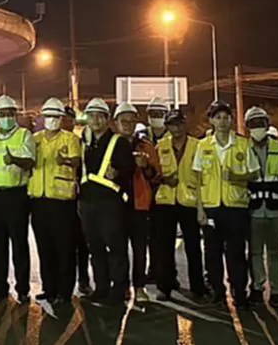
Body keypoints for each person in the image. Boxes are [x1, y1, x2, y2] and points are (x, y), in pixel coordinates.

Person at [193, 101, 259, 308]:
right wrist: (200, 210)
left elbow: (255, 173)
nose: (222, 121)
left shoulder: (243, 144)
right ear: (211, 121)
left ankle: (239, 293)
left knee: (236, 253)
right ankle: (217, 292)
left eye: (226, 117)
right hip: (211, 207)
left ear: (232, 120)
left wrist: (237, 177)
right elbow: (197, 180)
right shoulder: (203, 146)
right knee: (212, 253)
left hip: (236, 207)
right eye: (217, 117)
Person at [79, 96, 135, 305]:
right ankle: (101, 287)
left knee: (116, 247)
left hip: (110, 203)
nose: (95, 120)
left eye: (99, 116)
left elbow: (129, 169)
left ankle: (119, 289)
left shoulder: (118, 141)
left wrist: (117, 173)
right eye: (91, 116)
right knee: (95, 247)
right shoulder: (85, 142)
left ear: (106, 119)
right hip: (88, 203)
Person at [29, 97, 82, 304]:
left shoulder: (70, 139)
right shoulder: (36, 139)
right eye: (48, 116)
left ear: (61, 118)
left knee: (65, 249)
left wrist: (66, 161)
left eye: (55, 117)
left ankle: (64, 291)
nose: (51, 120)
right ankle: (48, 288)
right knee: (45, 248)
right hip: (39, 201)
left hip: (62, 202)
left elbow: (77, 161)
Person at [152, 109, 206, 301]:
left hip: (189, 201)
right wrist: (164, 179)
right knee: (163, 248)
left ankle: (198, 288)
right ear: (167, 127)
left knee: (193, 247)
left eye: (179, 124)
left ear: (185, 124)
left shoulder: (197, 145)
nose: (176, 128)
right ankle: (164, 287)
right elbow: (153, 173)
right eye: (172, 125)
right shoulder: (160, 146)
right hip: (165, 201)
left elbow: (203, 176)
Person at [0, 94, 35, 302]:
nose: (6, 118)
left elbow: (30, 162)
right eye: (2, 114)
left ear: (15, 115)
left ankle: (22, 288)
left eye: (9, 114)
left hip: (16, 196)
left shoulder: (25, 135)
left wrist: (14, 159)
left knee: (19, 244)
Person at [114, 101, 162, 303]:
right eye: (123, 121)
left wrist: (145, 166)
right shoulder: (111, 144)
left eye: (131, 121)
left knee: (140, 248)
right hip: (115, 205)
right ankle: (122, 286)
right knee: (118, 249)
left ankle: (139, 287)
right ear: (115, 122)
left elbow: (156, 176)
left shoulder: (146, 146)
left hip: (140, 204)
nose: (127, 125)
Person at [243, 106, 278, 308]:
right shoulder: (241, 149)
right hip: (252, 210)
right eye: (253, 124)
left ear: (268, 124)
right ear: (247, 127)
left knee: (275, 252)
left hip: (276, 208)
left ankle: (277, 291)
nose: (257, 127)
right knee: (254, 253)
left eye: (261, 123)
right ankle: (257, 288)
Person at [65, 105, 94, 295]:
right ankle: (63, 283)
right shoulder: (43, 140)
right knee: (64, 244)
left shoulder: (81, 141)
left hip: (80, 197)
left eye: (68, 119)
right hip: (60, 200)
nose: (65, 122)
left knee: (83, 243)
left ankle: (83, 280)